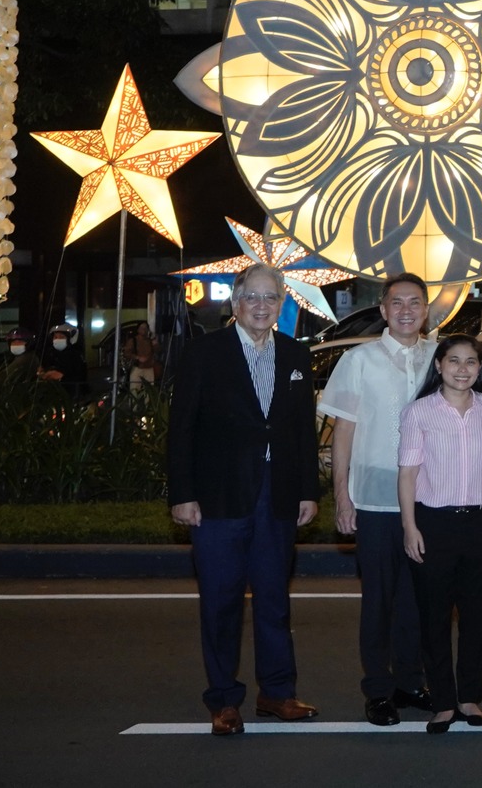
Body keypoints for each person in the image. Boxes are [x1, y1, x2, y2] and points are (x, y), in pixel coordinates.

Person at [166, 263, 320, 734]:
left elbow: (301, 433)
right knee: (220, 600)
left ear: (281, 304)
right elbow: (181, 429)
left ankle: (277, 693)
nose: (260, 305)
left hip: (277, 495)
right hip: (217, 498)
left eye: (270, 297)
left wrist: (309, 491)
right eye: (251, 297)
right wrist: (183, 494)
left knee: (274, 599)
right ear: (235, 303)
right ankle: (224, 700)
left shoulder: (296, 355)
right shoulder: (204, 353)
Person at [318, 272, 436, 725]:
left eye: (415, 302)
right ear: (383, 310)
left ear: (426, 310)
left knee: (417, 599)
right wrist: (343, 499)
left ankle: (410, 681)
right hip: (374, 499)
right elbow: (342, 434)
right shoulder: (359, 360)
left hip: (429, 499)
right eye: (397, 302)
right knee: (379, 599)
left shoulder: (438, 357)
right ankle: (378, 690)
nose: (406, 310)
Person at [398, 334, 482, 732]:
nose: (463, 369)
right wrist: (410, 527)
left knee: (477, 617)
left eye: (471, 362)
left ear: (480, 369)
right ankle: (443, 702)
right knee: (434, 618)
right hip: (433, 523)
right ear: (439, 365)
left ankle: (469, 698)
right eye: (454, 361)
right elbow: (408, 473)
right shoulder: (419, 412)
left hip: (480, 524)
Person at [39, 323, 90, 396]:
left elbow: (75, 375)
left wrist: (58, 375)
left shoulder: (75, 355)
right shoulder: (51, 354)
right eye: (55, 337)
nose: (57, 339)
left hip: (72, 395)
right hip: (54, 395)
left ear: (70, 339)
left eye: (61, 337)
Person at [125, 321, 161, 391]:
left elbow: (159, 351)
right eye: (142, 328)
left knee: (149, 391)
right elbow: (127, 353)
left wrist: (155, 344)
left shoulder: (150, 341)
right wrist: (137, 357)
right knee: (134, 389)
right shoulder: (133, 341)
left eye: (145, 328)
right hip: (137, 368)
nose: (144, 330)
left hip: (149, 368)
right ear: (138, 330)